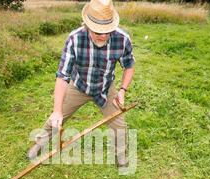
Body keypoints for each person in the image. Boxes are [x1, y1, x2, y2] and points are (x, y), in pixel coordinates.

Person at [26, 0, 135, 167]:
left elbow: (129, 66)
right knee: (56, 119)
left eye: (107, 31)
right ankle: (39, 144)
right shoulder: (74, 39)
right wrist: (57, 110)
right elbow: (63, 76)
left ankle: (121, 156)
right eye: (98, 31)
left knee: (119, 124)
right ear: (87, 25)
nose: (103, 36)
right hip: (79, 86)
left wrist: (122, 91)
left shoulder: (122, 39)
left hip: (105, 88)